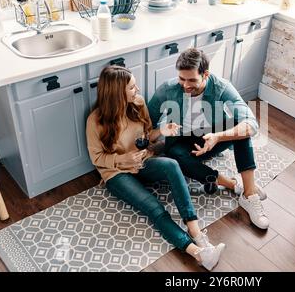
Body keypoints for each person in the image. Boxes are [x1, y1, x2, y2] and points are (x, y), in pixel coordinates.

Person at [86, 65, 225, 271]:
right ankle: (199, 253)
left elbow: (146, 136)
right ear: (117, 94)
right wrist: (123, 159)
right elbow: (97, 158)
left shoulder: (137, 103)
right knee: (154, 208)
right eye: (132, 88)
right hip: (116, 174)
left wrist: (161, 130)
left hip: (143, 162)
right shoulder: (95, 121)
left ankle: (196, 232)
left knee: (172, 164)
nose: (138, 90)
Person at [148, 48, 269, 230]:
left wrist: (218, 137)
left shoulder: (221, 87)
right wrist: (159, 133)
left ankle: (249, 194)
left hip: (212, 137)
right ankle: (232, 184)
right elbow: (148, 121)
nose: (186, 85)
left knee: (241, 127)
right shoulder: (168, 88)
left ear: (205, 75)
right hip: (182, 141)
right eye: (182, 78)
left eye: (192, 80)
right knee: (174, 154)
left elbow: (252, 124)